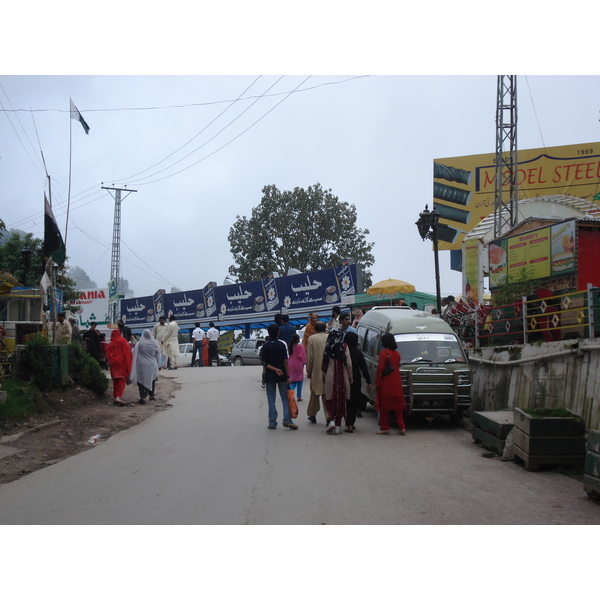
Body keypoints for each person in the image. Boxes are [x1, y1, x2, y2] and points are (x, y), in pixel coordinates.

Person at [259, 323, 298, 430]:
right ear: (278, 333)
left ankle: (272, 422)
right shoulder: (282, 344)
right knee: (285, 398)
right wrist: (288, 376)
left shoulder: (265, 346)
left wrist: (274, 369)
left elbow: (264, 362)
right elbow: (286, 361)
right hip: (282, 375)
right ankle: (287, 419)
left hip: (270, 376)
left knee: (271, 399)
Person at [375, 332, 407, 435]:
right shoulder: (397, 354)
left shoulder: (384, 353)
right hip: (396, 382)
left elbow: (380, 368)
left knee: (384, 406)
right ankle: (402, 427)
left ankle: (385, 427)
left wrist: (377, 381)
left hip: (386, 382)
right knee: (398, 407)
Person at [322, 328, 353, 435]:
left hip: (330, 376)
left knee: (330, 399)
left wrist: (324, 376)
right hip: (342, 377)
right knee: (341, 400)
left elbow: (324, 364)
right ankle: (338, 427)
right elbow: (348, 364)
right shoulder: (344, 347)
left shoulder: (327, 347)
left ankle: (331, 420)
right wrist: (350, 377)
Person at [344, 331, 371, 431]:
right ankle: (351, 422)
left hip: (344, 377)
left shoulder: (343, 351)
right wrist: (369, 381)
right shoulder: (358, 352)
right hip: (356, 378)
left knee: (346, 401)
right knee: (354, 401)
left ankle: (348, 423)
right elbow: (364, 368)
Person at [129, 329, 162, 404]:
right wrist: (159, 365)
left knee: (141, 380)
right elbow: (158, 355)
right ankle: (151, 396)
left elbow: (134, 353)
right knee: (152, 379)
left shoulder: (139, 344)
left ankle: (143, 397)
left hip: (141, 365)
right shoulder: (154, 344)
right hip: (152, 364)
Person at [306, 321, 329, 424]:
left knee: (314, 394)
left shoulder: (312, 339)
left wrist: (309, 370)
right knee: (327, 395)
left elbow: (310, 357)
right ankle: (328, 417)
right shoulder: (329, 337)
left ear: (315, 329)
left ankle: (312, 414)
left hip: (316, 371)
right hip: (328, 370)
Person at [105, 328, 133, 407]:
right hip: (121, 363)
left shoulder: (110, 344)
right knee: (121, 379)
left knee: (116, 380)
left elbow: (107, 354)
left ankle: (115, 396)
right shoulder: (122, 341)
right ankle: (118, 397)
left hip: (113, 364)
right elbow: (128, 350)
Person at [287, 333, 306, 402]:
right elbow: (303, 356)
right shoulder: (301, 347)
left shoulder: (289, 347)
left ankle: (290, 394)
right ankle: (299, 396)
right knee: (299, 381)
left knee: (293, 381)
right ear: (298, 340)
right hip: (298, 365)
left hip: (290, 365)